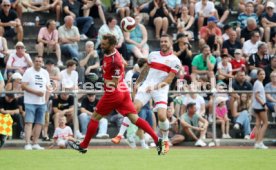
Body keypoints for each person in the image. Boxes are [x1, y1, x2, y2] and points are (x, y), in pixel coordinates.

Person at [68, 34, 163, 155]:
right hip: (122, 90)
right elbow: (123, 64)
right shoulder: (111, 53)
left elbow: (114, 82)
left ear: (112, 45)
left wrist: (100, 80)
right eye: (102, 43)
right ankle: (157, 140)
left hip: (114, 92)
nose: (101, 45)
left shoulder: (115, 60)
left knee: (95, 117)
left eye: (104, 44)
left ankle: (83, 146)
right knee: (134, 118)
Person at [112, 34, 181, 154]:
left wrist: (155, 87)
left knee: (162, 116)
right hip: (147, 85)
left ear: (171, 43)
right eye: (162, 41)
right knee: (133, 109)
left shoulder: (175, 61)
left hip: (161, 88)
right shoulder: (153, 55)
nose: (163, 43)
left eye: (166, 41)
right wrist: (138, 82)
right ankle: (120, 135)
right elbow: (146, 70)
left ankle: (165, 140)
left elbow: (169, 80)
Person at [21, 56, 51, 150]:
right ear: (34, 62)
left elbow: (48, 87)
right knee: (29, 122)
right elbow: (23, 86)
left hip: (42, 102)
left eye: (40, 61)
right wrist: (36, 92)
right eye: (36, 61)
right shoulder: (28, 72)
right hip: (30, 101)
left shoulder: (45, 72)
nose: (38, 63)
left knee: (39, 123)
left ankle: (35, 143)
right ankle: (27, 143)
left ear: (42, 63)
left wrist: (46, 100)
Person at [252, 69, 269, 149]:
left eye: (263, 74)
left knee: (258, 124)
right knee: (265, 123)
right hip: (260, 106)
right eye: (261, 74)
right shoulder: (258, 83)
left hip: (256, 106)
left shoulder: (258, 83)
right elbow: (257, 96)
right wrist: (264, 104)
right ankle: (260, 142)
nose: (263, 75)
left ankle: (256, 143)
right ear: (258, 75)